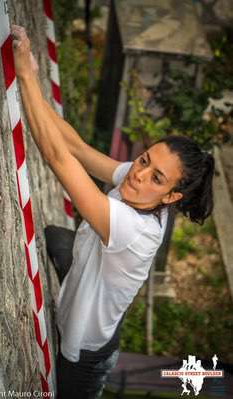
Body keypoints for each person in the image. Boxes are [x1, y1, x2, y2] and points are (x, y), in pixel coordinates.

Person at [11, 25, 215, 399]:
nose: (138, 174)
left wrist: (23, 74)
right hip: (93, 275)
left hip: (86, 356)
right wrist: (36, 86)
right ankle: (77, 278)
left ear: (170, 197)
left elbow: (59, 159)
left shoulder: (137, 229)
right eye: (144, 159)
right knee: (57, 237)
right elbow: (79, 149)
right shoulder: (136, 183)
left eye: (156, 177)